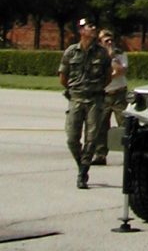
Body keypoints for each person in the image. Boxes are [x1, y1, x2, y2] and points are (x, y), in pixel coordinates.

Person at [58, 17, 112, 188]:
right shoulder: (71, 52)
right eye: (89, 26)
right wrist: (76, 89)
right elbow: (63, 77)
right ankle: (82, 164)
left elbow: (108, 76)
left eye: (94, 26)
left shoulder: (102, 53)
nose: (93, 28)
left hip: (95, 99)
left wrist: (95, 89)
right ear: (81, 31)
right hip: (76, 98)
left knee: (92, 138)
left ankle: (83, 172)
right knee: (72, 138)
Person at [92, 29, 128, 165]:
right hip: (104, 94)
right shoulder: (96, 54)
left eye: (110, 38)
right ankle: (100, 155)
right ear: (99, 41)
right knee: (101, 125)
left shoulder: (120, 54)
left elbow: (121, 71)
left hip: (119, 94)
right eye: (105, 39)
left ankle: (128, 155)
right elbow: (98, 74)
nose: (109, 41)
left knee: (124, 125)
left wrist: (111, 58)